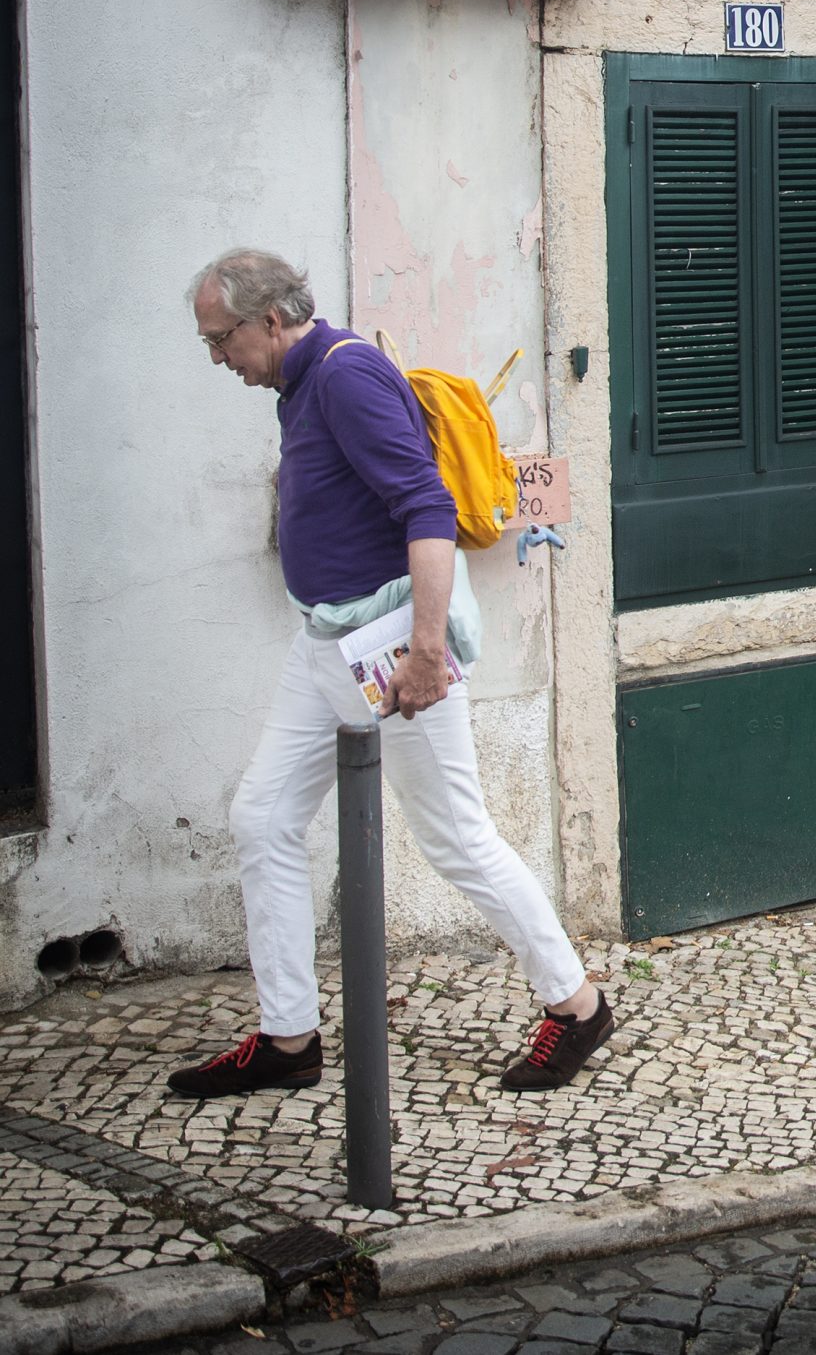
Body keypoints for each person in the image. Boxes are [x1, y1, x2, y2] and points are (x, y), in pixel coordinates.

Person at [172, 249, 613, 1096]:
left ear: (269, 320)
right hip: (325, 644)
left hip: (390, 648)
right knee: (262, 817)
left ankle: (578, 1002)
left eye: (221, 339)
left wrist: (425, 650)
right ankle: (289, 1037)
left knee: (456, 835)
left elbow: (428, 508)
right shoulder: (298, 385)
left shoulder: (346, 377)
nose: (218, 358)